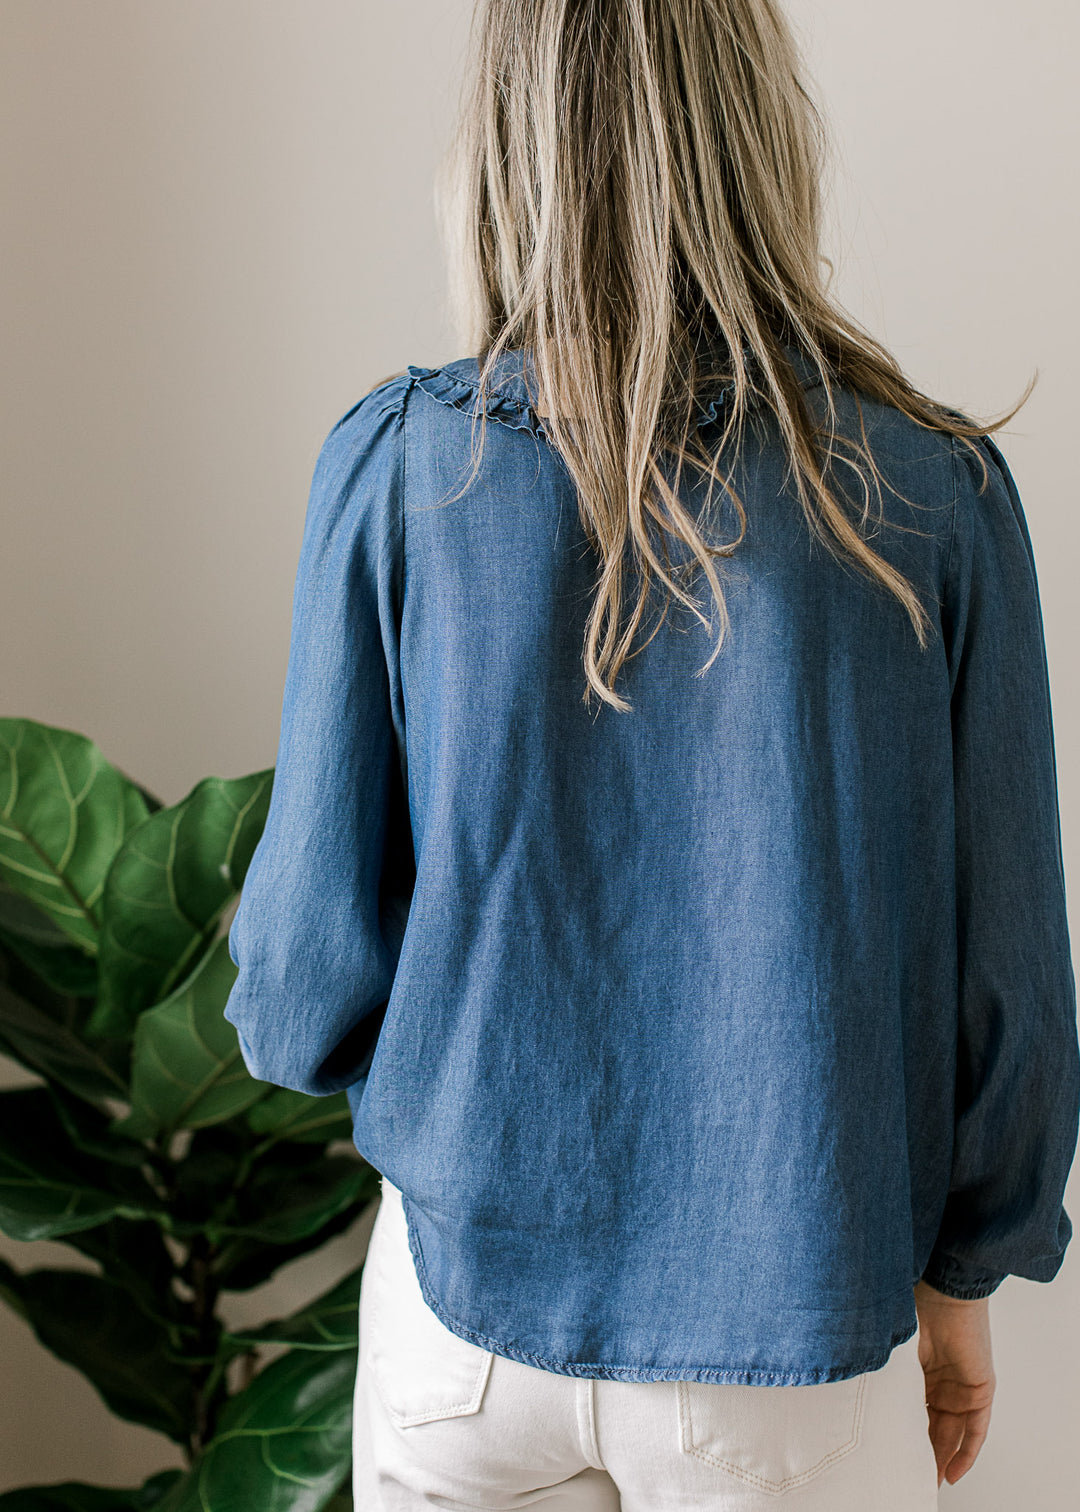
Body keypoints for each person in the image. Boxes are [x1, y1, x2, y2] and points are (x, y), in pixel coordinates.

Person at [223, 1, 1080, 1507]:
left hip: (462, 1328)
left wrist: (482, 1097)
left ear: (502, 148)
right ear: (761, 133)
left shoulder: (403, 465)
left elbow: (301, 987)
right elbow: (1005, 975)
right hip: (798, 1339)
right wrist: (965, 1284)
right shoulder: (935, 496)